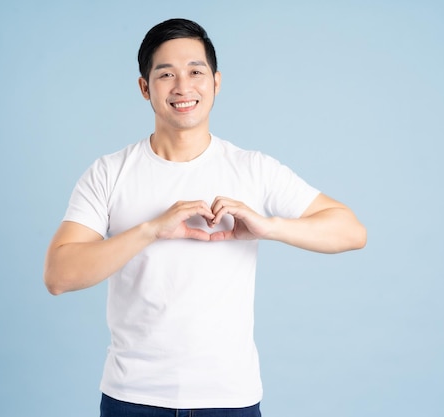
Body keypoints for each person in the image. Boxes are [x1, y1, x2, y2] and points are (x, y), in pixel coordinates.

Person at [44, 18, 366, 417]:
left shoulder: (253, 169)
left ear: (215, 82)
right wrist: (150, 230)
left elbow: (351, 231)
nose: (183, 87)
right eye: (166, 75)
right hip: (132, 397)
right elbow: (59, 275)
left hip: (229, 399)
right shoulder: (109, 172)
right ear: (145, 88)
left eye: (195, 72)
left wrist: (271, 227)